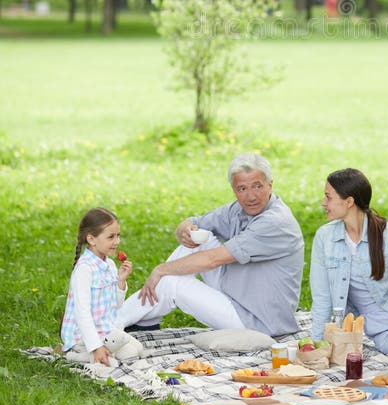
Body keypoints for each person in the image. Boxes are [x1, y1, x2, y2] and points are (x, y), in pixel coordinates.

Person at [117, 152, 304, 336]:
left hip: (258, 322)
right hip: (235, 293)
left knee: (171, 283)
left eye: (257, 186)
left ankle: (111, 325)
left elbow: (213, 259)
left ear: (270, 185)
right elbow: (194, 222)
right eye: (242, 189)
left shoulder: (276, 222)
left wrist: (161, 269)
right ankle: (145, 321)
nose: (251, 196)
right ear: (234, 190)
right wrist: (185, 229)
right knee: (197, 237)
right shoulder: (238, 210)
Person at [310, 168, 388, 354]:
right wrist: (315, 344)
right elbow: (322, 298)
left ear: (349, 201)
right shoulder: (325, 237)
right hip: (383, 332)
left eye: (328, 197)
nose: (323, 203)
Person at [61, 207, 133, 365]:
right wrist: (96, 347)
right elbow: (82, 313)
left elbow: (116, 305)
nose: (117, 242)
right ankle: (75, 355)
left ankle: (100, 354)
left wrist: (121, 281)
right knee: (111, 363)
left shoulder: (110, 265)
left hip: (104, 330)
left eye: (118, 236)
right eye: (111, 237)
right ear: (91, 239)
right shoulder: (84, 270)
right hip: (83, 337)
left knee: (134, 351)